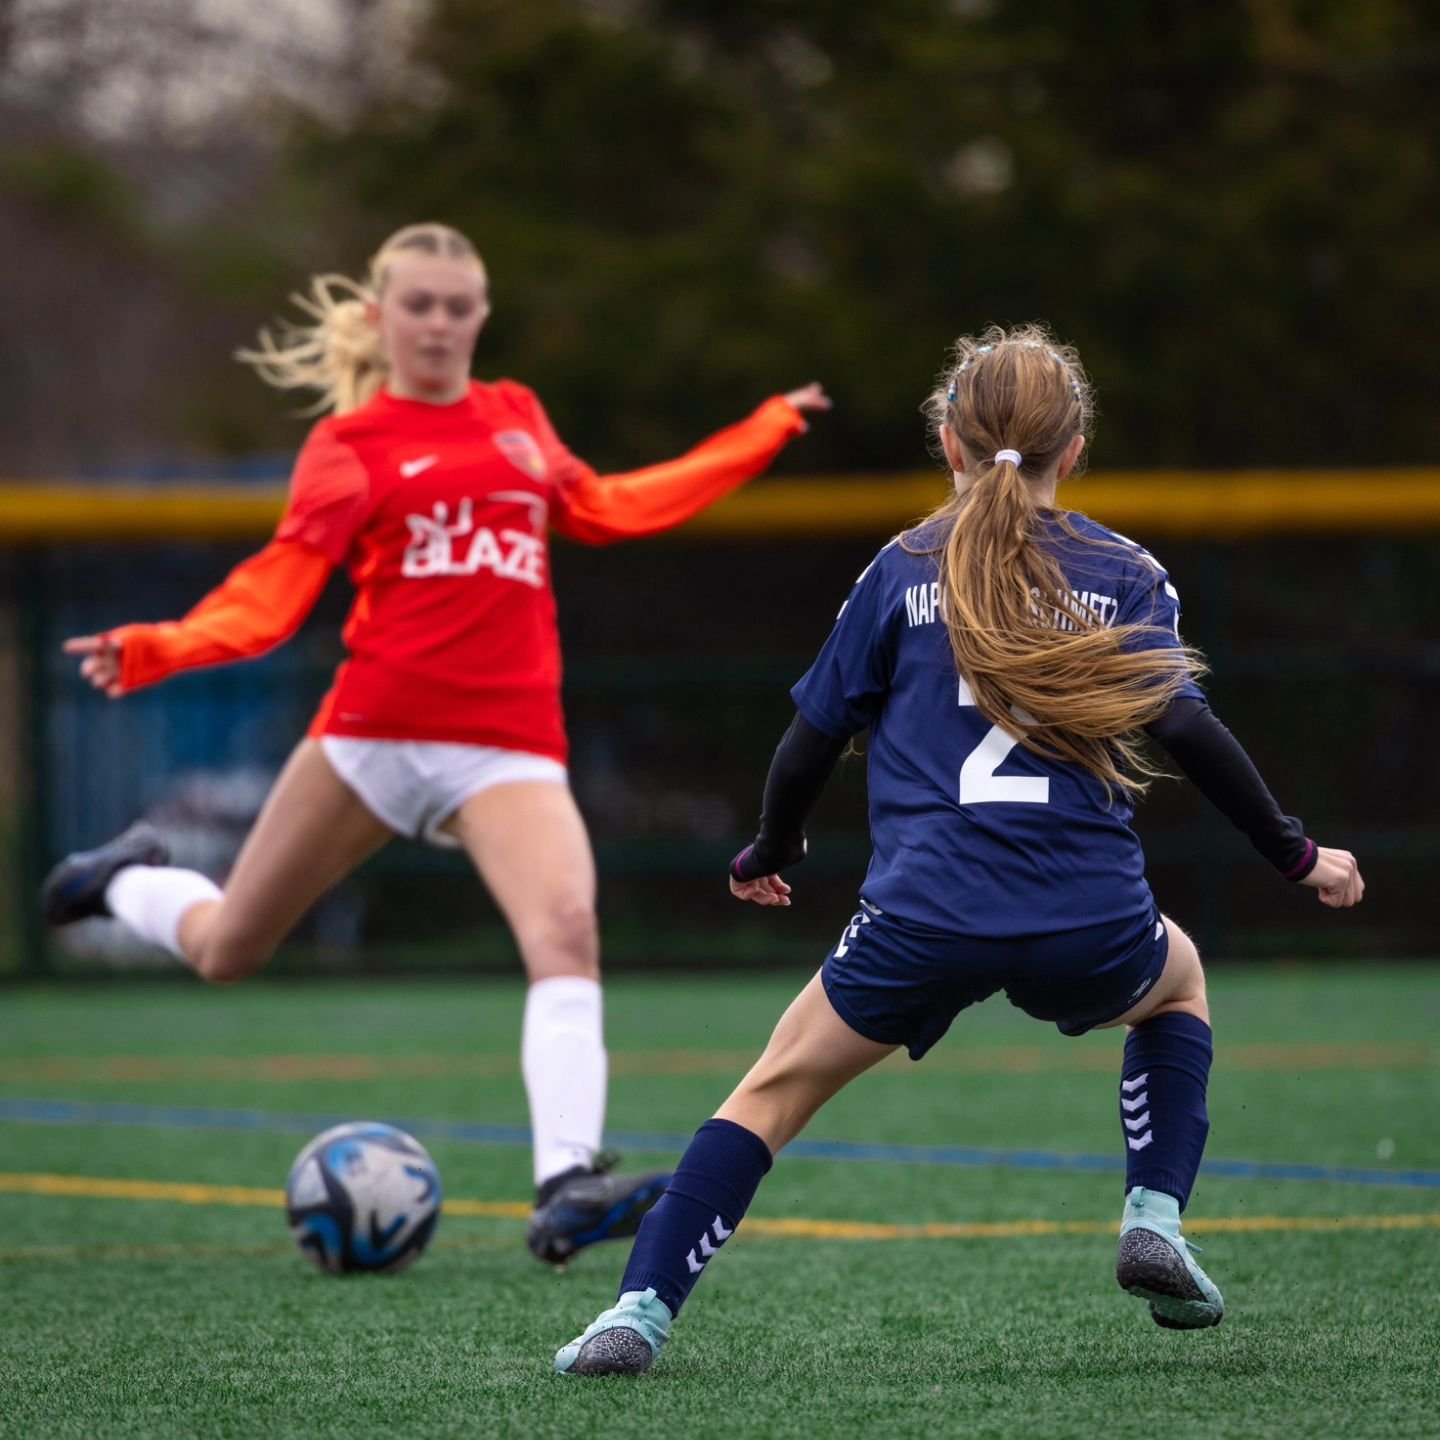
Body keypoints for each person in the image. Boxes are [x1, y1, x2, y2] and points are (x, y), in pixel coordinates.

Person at [553, 323, 1364, 1375]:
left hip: (922, 919)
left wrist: (771, 845)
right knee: (1175, 987)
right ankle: (1154, 1215)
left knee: (769, 1095)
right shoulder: (1124, 571)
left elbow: (810, 743)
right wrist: (1297, 856)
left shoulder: (899, 572)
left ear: (949, 442)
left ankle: (640, 1314)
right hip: (1089, 916)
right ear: (1074, 451)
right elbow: (1191, 732)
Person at [40, 221, 831, 1267]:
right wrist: (161, 647)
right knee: (231, 948)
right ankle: (124, 882)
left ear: (481, 316)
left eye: (460, 306)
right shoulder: (350, 447)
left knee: (565, 930)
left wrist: (763, 429)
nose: (441, 323)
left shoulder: (514, 416)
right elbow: (274, 594)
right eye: (421, 304)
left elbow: (609, 508)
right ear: (381, 317)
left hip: (505, 743)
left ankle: (565, 1185)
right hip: (371, 737)